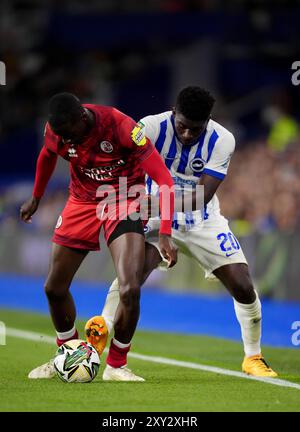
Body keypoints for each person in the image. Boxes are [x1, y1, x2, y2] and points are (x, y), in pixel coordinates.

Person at [88, 86, 278, 378]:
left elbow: (201, 196)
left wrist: (156, 204)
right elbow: (124, 169)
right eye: (182, 127)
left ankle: (252, 357)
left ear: (209, 121)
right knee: (132, 275)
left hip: (201, 220)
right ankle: (101, 332)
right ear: (173, 113)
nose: (188, 134)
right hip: (153, 216)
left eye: (195, 130)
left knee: (242, 284)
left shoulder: (222, 139)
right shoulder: (149, 127)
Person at [20, 92, 177, 382]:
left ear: (82, 119)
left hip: (125, 199)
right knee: (54, 288)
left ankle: (116, 365)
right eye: (61, 135)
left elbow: (165, 180)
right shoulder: (57, 130)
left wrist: (164, 233)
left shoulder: (121, 127)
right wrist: (36, 197)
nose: (66, 141)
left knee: (130, 289)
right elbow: (46, 155)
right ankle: (66, 354)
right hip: (81, 201)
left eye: (69, 134)